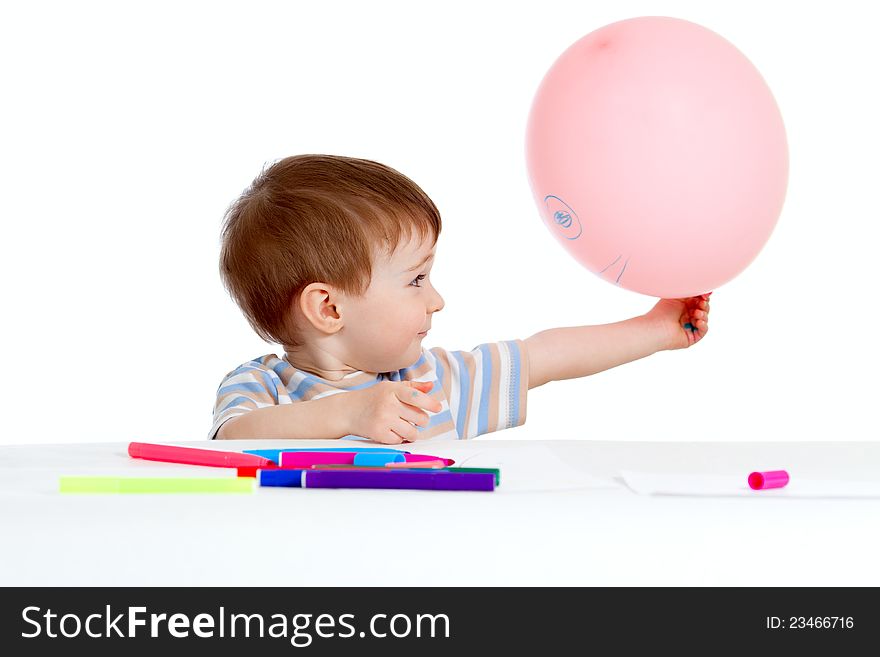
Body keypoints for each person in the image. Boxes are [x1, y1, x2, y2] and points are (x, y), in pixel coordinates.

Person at [210, 154, 710, 443]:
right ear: (329, 309)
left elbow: (544, 356)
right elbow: (235, 442)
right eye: (416, 280)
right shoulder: (260, 388)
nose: (437, 300)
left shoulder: (430, 383)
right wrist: (349, 414)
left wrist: (658, 329)